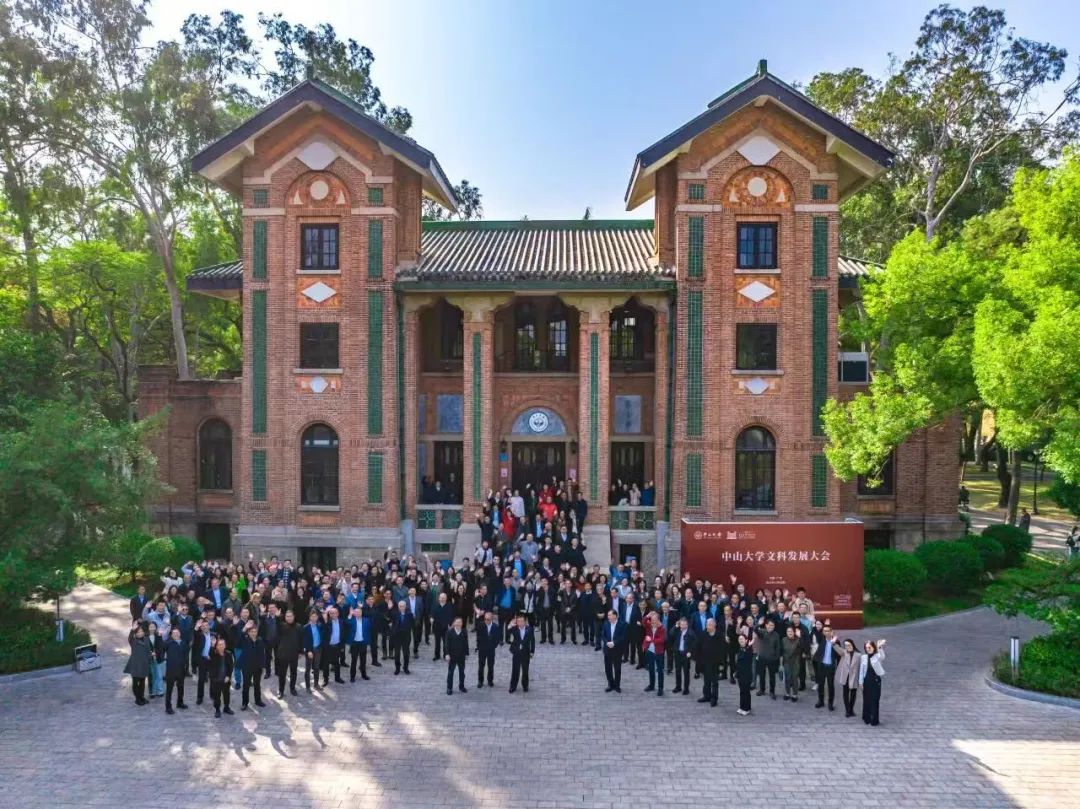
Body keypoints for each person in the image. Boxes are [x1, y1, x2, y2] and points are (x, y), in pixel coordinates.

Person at [695, 617, 724, 707]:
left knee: (714, 682)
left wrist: (721, 663)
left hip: (715, 662)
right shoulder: (703, 634)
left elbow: (722, 650)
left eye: (709, 625)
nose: (707, 626)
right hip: (705, 662)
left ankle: (714, 699)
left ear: (713, 625)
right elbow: (698, 646)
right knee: (706, 680)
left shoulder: (719, 635)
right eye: (707, 625)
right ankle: (706, 696)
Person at [240, 620, 267, 710]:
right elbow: (240, 636)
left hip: (257, 667)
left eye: (255, 632)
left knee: (257, 684)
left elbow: (262, 654)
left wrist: (263, 666)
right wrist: (245, 628)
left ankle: (258, 700)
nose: (253, 633)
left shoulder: (260, 640)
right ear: (248, 632)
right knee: (246, 685)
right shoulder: (245, 640)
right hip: (247, 667)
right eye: (252, 632)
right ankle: (245, 703)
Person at [124, 622, 153, 706]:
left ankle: (142, 697)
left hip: (144, 664)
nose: (140, 633)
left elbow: (149, 650)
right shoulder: (134, 641)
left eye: (141, 631)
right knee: (135, 682)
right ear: (136, 633)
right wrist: (132, 630)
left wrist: (151, 656)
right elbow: (130, 638)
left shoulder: (146, 639)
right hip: (135, 665)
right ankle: (137, 699)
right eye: (138, 632)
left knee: (142, 682)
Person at [860, 639, 887, 726]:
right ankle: (866, 718)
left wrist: (879, 647)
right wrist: (860, 682)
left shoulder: (877, 656)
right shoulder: (863, 657)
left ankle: (874, 720)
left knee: (875, 700)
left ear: (873, 648)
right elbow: (861, 670)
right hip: (866, 680)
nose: (868, 649)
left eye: (870, 647)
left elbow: (882, 656)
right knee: (866, 700)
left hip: (875, 680)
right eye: (866, 648)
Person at [813, 623, 838, 710]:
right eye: (824, 631)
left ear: (831, 632)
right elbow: (815, 632)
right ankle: (821, 701)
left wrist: (837, 667)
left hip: (830, 667)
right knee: (821, 685)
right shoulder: (822, 640)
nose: (826, 632)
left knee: (830, 686)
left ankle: (830, 703)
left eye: (828, 631)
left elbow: (839, 655)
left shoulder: (836, 642)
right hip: (822, 666)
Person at [754, 618, 781, 699]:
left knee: (772, 676)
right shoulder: (762, 632)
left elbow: (778, 648)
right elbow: (755, 630)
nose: (771, 627)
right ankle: (762, 690)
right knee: (762, 675)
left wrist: (777, 659)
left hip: (772, 659)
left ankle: (772, 692)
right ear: (766, 625)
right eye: (769, 625)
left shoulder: (776, 635)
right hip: (762, 657)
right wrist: (758, 624)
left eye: (772, 625)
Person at [276, 608, 301, 697]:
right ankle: (281, 690)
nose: (289, 618)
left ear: (294, 617)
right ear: (285, 617)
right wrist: (277, 617)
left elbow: (301, 640)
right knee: (282, 674)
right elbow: (277, 625)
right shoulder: (282, 626)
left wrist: (300, 652)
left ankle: (292, 688)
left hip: (294, 654)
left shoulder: (298, 627)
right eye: (287, 616)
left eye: (290, 616)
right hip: (283, 654)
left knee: (293, 673)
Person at [508, 613, 535, 693]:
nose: (520, 623)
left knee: (525, 670)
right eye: (518, 621)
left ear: (525, 622)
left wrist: (532, 651)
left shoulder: (529, 629)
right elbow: (508, 632)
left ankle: (525, 686)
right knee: (515, 670)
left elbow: (532, 641)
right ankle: (513, 686)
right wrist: (510, 625)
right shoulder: (514, 628)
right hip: (516, 652)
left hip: (525, 653)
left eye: (522, 621)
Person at [835, 638, 862, 718]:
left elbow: (860, 667)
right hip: (845, 676)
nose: (847, 647)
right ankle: (847, 710)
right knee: (845, 694)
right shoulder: (844, 652)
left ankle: (851, 709)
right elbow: (838, 649)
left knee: (853, 694)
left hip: (854, 677)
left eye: (849, 645)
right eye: (846, 645)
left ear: (852, 644)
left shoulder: (858, 655)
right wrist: (833, 643)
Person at [163, 627, 188, 714]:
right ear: (171, 635)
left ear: (180, 634)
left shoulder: (183, 643)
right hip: (171, 670)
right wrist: (159, 636)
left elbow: (186, 655)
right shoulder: (168, 643)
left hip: (181, 669)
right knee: (169, 689)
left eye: (177, 633)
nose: (176, 634)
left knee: (181, 687)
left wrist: (186, 667)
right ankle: (168, 707)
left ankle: (180, 703)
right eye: (174, 633)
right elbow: (161, 649)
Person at [208, 637, 234, 717]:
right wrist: (212, 645)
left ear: (225, 645)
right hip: (216, 679)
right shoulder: (214, 654)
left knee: (226, 694)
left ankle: (226, 707)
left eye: (222, 644)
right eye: (219, 645)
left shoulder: (228, 654)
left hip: (226, 679)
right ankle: (217, 710)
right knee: (217, 696)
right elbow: (210, 652)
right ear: (216, 646)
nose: (221, 646)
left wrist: (228, 676)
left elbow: (231, 666)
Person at [601, 609, 626, 693]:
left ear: (615, 616)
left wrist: (614, 643)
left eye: (610, 615)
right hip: (607, 649)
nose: (608, 617)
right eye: (608, 615)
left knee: (617, 668)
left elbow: (623, 637)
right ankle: (610, 684)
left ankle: (617, 685)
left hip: (617, 650)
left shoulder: (622, 624)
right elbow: (603, 635)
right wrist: (606, 642)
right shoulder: (606, 623)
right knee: (608, 668)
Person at [670, 616, 695, 696]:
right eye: (681, 624)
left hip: (686, 654)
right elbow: (670, 634)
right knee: (677, 671)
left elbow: (695, 643)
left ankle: (686, 688)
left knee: (686, 672)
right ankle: (678, 687)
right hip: (677, 653)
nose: (683, 626)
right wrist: (675, 626)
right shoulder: (677, 630)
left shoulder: (691, 632)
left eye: (684, 625)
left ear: (687, 624)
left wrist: (690, 652)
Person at [642, 611, 666, 696]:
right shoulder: (649, 625)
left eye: (655, 620)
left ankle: (660, 688)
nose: (653, 622)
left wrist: (651, 640)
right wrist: (647, 616)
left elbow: (662, 640)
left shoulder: (662, 628)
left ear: (658, 620)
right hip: (649, 651)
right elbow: (643, 622)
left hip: (659, 652)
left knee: (660, 670)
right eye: (652, 620)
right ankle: (651, 685)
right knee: (651, 669)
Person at [476, 611, 501, 688]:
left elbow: (497, 638)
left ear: (491, 619)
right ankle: (480, 681)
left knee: (491, 666)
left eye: (488, 619)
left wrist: (494, 646)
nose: (486, 621)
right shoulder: (481, 625)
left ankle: (490, 680)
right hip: (482, 649)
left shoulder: (496, 627)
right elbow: (478, 637)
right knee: (481, 666)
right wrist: (479, 646)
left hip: (491, 649)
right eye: (485, 619)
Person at [444, 616, 469, 695]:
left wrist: (466, 653)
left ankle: (461, 686)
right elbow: (446, 644)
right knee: (451, 673)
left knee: (462, 672)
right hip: (452, 656)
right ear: (454, 623)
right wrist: (447, 654)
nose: (458, 624)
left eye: (460, 622)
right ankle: (449, 688)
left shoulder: (464, 632)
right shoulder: (449, 632)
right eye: (457, 622)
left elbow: (466, 643)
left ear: (462, 624)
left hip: (461, 656)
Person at [322, 606, 346, 685]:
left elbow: (343, 635)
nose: (333, 614)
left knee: (336, 663)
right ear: (329, 614)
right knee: (326, 664)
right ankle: (325, 679)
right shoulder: (327, 622)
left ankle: (337, 678)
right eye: (331, 613)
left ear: (338, 614)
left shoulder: (341, 622)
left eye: (335, 613)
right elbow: (323, 632)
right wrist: (325, 621)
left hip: (337, 646)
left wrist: (342, 646)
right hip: (328, 647)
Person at [391, 600, 416, 675]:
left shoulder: (409, 615)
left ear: (405, 606)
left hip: (406, 636)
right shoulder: (395, 614)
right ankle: (397, 668)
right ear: (398, 607)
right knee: (397, 653)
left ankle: (406, 668)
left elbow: (413, 625)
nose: (402, 608)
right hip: (397, 636)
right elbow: (392, 623)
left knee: (406, 653)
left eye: (403, 606)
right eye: (400, 606)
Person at [347, 606, 371, 682]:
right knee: (354, 661)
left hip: (363, 643)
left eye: (359, 612)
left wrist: (368, 640)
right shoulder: (351, 620)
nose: (357, 613)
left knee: (363, 660)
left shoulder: (366, 620)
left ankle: (364, 675)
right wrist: (350, 615)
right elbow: (346, 623)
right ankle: (352, 676)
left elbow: (369, 629)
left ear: (361, 613)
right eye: (356, 612)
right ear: (354, 613)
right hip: (354, 643)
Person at [302, 611, 323, 692]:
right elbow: (304, 641)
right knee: (308, 669)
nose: (314, 618)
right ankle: (308, 687)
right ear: (309, 617)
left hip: (318, 649)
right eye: (312, 616)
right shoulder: (306, 627)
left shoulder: (319, 625)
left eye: (315, 616)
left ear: (317, 617)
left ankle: (316, 684)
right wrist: (308, 651)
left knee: (317, 668)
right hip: (310, 651)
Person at [734, 633, 754, 716]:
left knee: (746, 691)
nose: (741, 640)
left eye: (742, 639)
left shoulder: (749, 649)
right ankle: (742, 707)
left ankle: (747, 708)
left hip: (747, 674)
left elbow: (748, 657)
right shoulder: (740, 649)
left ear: (746, 640)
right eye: (739, 639)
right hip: (740, 674)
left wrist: (748, 646)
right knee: (742, 691)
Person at [780, 625, 801, 702]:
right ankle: (787, 693)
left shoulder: (798, 639)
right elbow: (781, 651)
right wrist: (781, 662)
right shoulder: (783, 640)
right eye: (788, 631)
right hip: (786, 662)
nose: (790, 633)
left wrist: (800, 637)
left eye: (791, 631)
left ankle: (795, 694)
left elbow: (803, 647)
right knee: (787, 678)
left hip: (795, 662)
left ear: (794, 632)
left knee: (794, 678)